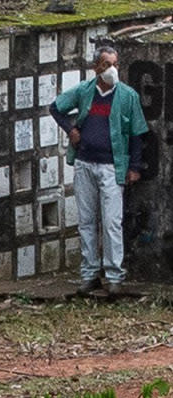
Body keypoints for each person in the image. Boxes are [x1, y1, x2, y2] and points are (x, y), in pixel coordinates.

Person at [52, 45, 150, 294]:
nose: (112, 70)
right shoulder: (85, 91)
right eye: (107, 65)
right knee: (86, 221)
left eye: (115, 64)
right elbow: (56, 108)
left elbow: (137, 134)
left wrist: (134, 166)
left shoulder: (127, 96)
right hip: (85, 163)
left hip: (111, 167)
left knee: (111, 223)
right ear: (96, 67)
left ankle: (114, 276)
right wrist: (71, 130)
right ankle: (89, 274)